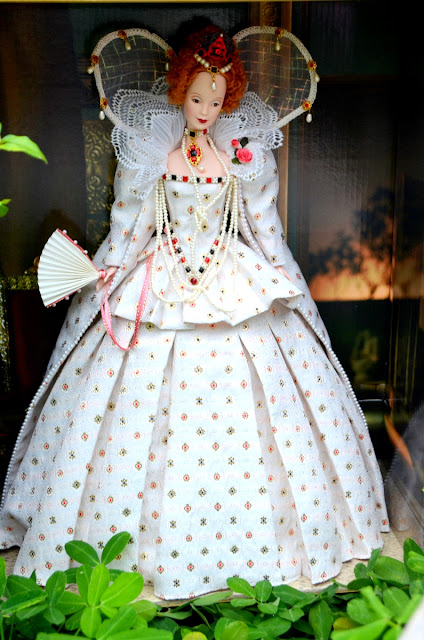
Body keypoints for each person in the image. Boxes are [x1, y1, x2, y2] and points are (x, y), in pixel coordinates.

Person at [0, 25, 389, 599]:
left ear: (228, 100)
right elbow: (130, 224)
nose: (205, 110)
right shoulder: (152, 150)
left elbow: (265, 228)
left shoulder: (241, 155)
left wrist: (287, 280)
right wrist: (108, 272)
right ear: (180, 90)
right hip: (160, 278)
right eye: (197, 97)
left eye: (216, 99)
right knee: (128, 409)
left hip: (232, 277)